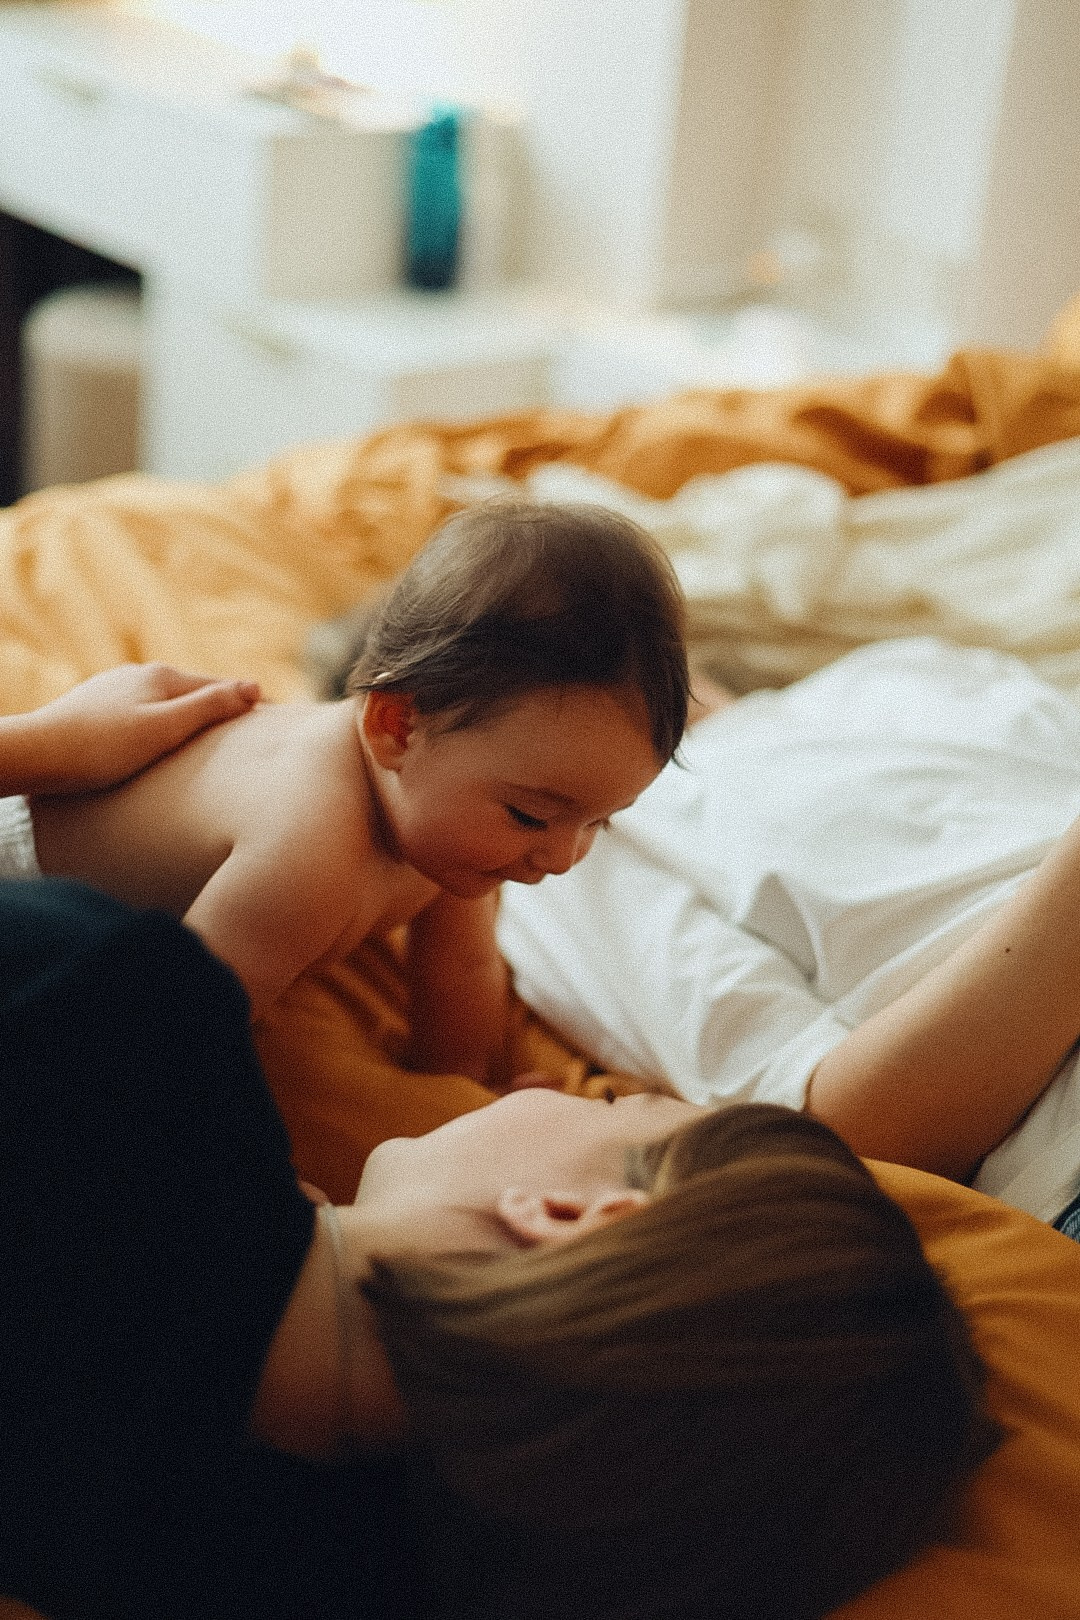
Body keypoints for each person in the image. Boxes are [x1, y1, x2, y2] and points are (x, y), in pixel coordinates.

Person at [27, 502, 689, 1085]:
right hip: (24, 878)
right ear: (397, 726)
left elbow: (461, 972)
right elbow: (176, 1031)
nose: (563, 858)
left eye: (599, 822)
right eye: (532, 815)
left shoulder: (454, 826)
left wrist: (464, 1095)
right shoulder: (309, 848)